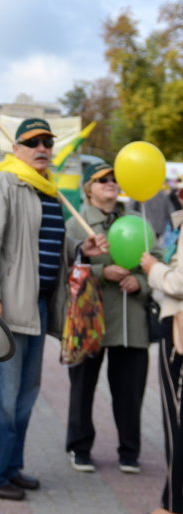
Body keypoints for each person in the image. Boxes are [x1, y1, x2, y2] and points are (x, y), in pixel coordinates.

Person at [0, 118, 108, 501]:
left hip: (38, 307)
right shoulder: (1, 184)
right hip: (6, 309)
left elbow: (43, 244)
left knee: (25, 398)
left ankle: (9, 467)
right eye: (33, 141)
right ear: (17, 149)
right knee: (2, 398)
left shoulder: (48, 191)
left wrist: (80, 249)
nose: (42, 147)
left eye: (47, 141)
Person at [65, 161, 154, 474]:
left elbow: (155, 264)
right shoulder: (77, 223)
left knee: (130, 392)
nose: (111, 183)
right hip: (90, 321)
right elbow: (67, 271)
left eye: (115, 178)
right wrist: (103, 271)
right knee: (82, 388)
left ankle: (129, 451)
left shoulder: (136, 220)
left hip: (131, 322)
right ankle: (79, 447)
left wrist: (140, 282)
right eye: (103, 179)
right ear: (89, 187)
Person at [140, 186, 183, 514]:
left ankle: (172, 505)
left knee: (176, 421)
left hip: (179, 331)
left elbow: (179, 284)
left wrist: (153, 267)